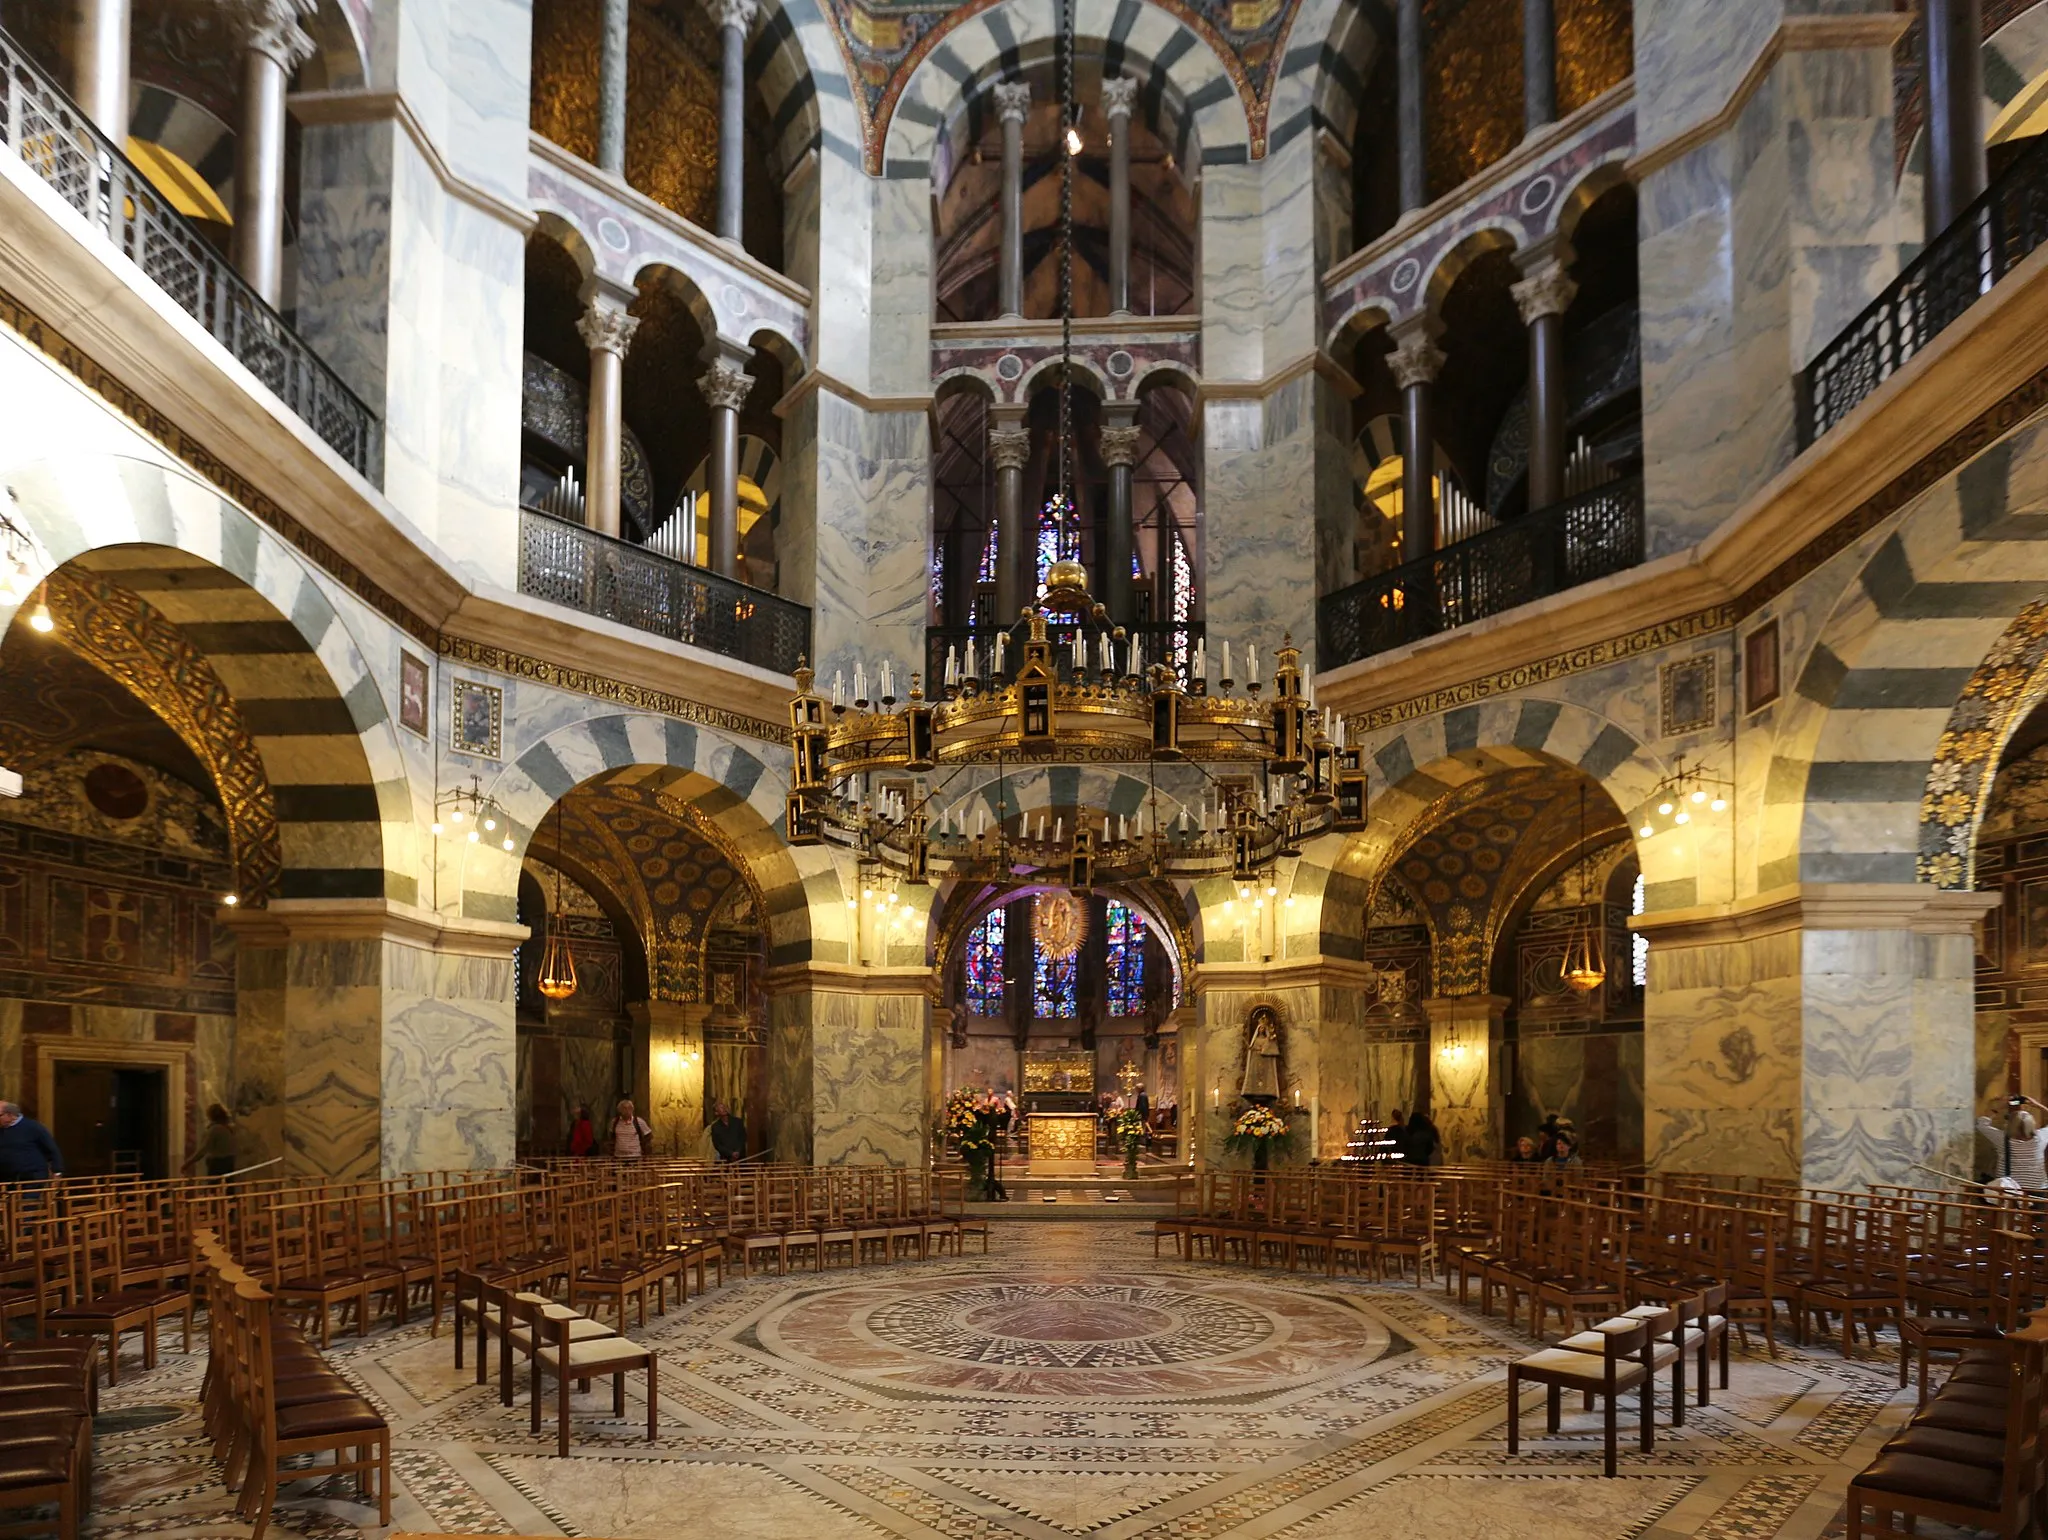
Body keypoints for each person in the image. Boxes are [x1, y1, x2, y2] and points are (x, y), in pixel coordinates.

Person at [1978, 1096, 2048, 1192]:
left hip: (2009, 1189)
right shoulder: (2040, 1139)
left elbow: (1982, 1124)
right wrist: (2037, 1105)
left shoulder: (2002, 1139)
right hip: (2037, 1188)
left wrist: (1998, 1108)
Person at [0, 1103, 62, 1182]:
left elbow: (51, 1149)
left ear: (10, 1115)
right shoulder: (1, 1130)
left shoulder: (33, 1127)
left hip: (32, 1177)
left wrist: (57, 1171)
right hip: (7, 1179)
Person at [183, 1103, 236, 1177]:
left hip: (217, 1164)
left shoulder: (215, 1129)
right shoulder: (228, 1129)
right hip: (229, 1162)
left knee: (214, 1185)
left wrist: (188, 1163)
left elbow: (203, 1149)